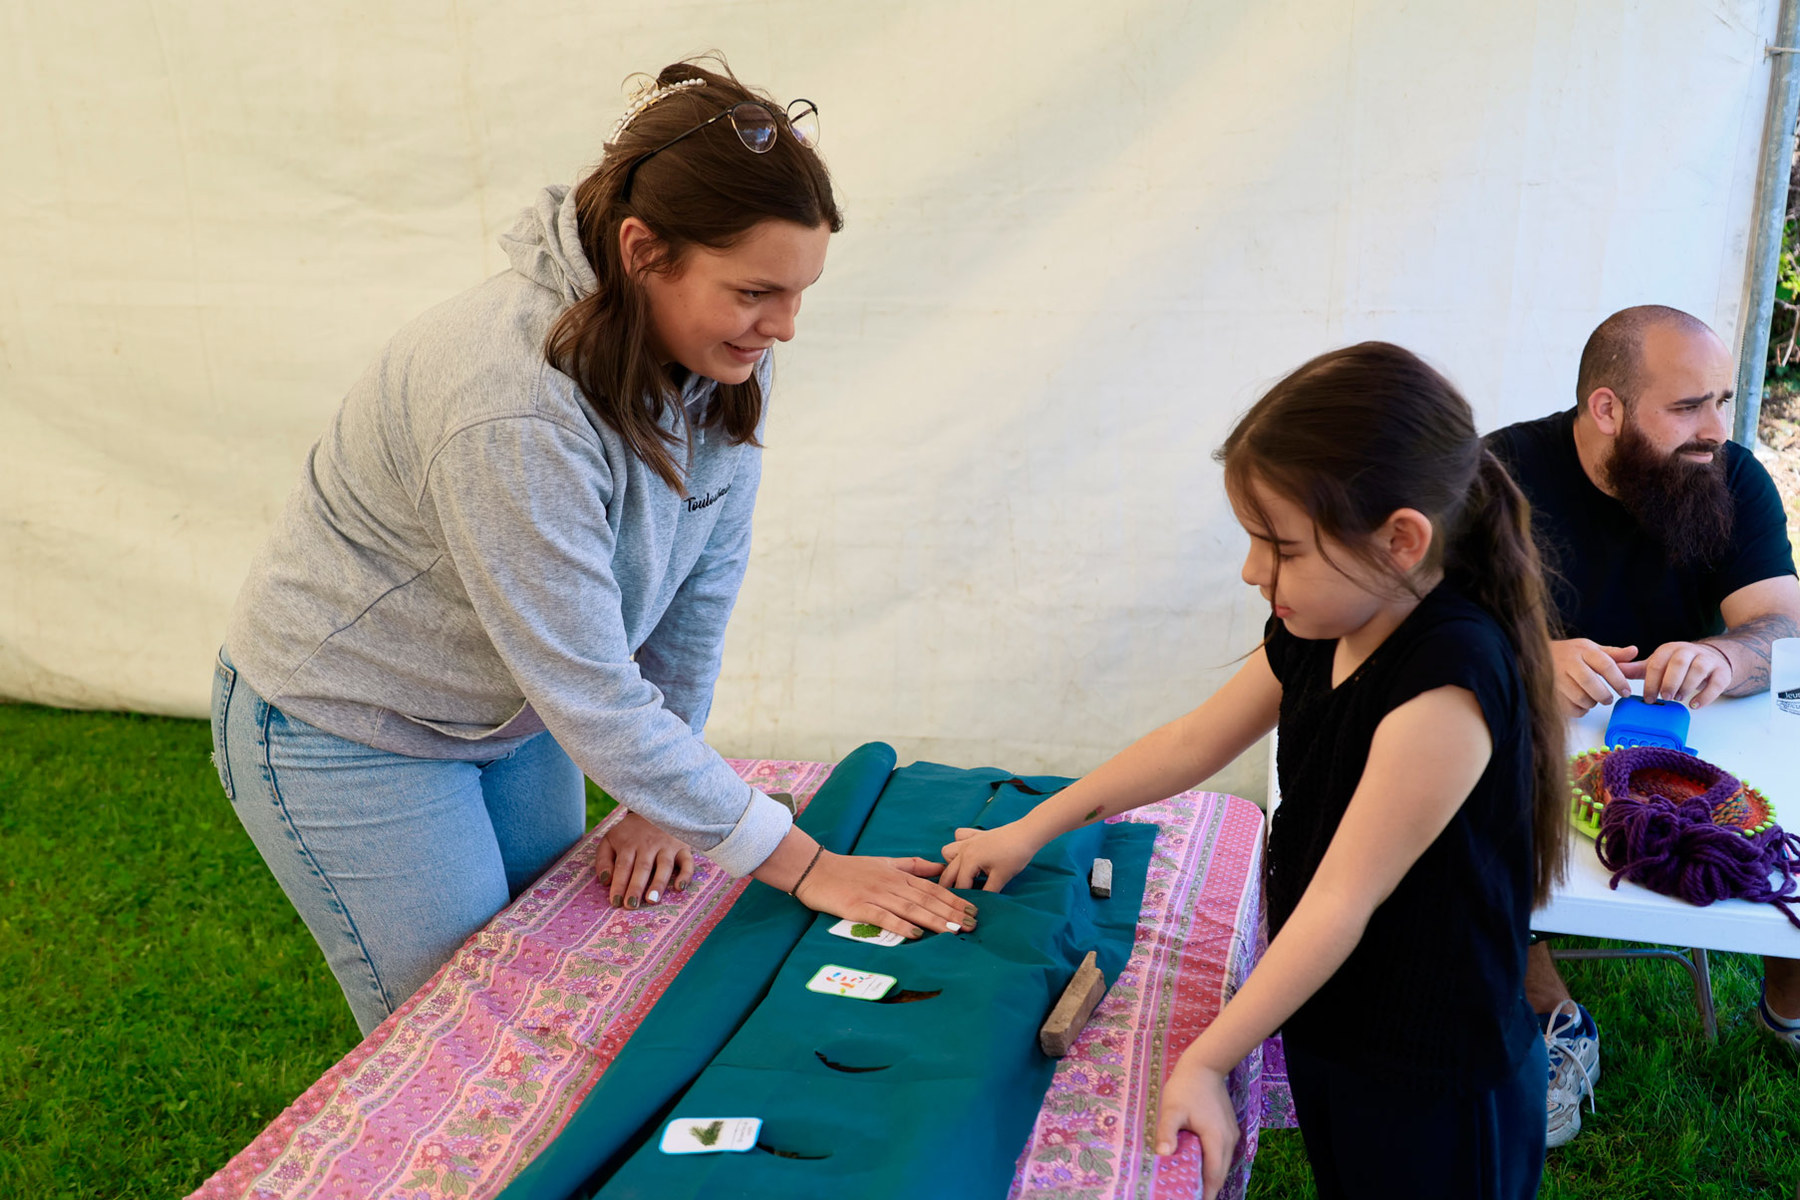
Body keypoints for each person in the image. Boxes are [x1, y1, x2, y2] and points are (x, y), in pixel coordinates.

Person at [211, 60, 975, 1037]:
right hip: (349, 728)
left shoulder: (722, 356)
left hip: (517, 718)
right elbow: (589, 686)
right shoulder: (510, 402)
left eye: (799, 292)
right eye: (756, 291)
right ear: (643, 250)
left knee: (555, 980)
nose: (785, 327)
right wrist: (807, 865)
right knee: (461, 1035)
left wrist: (665, 801)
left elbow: (698, 592)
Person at [939, 343, 1564, 1200]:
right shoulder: (1322, 624)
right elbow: (1192, 742)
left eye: (1282, 547)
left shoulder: (1446, 685)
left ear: (1400, 540)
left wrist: (1208, 1060)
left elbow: (1340, 902)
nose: (1252, 572)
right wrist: (1032, 828)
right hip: (1340, 1024)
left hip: (1436, 1075)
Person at [1486, 304, 1800, 1146]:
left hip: (1696, 740)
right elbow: (1423, 622)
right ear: (1607, 409)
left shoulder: (1730, 475)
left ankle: (1789, 1006)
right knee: (1460, 797)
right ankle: (1549, 1016)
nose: (1716, 431)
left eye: (1722, 401)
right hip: (1530, 734)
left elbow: (1784, 623)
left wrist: (1727, 656)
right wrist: (1527, 656)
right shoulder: (1497, 475)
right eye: (1689, 407)